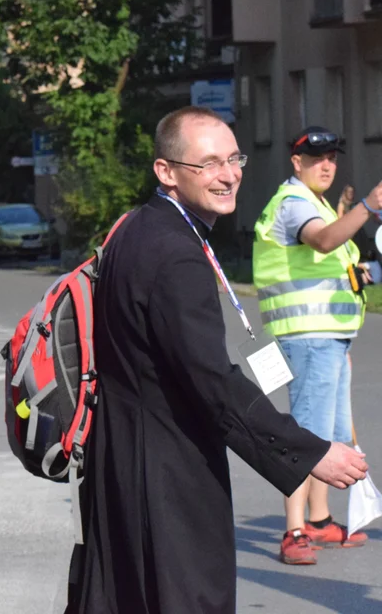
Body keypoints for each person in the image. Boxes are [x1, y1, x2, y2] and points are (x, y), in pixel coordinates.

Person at [66, 106, 368, 614]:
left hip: (124, 457)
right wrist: (310, 450)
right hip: (165, 471)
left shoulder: (136, 228)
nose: (228, 175)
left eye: (233, 159)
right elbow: (211, 383)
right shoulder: (175, 252)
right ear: (167, 172)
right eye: (207, 164)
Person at [252, 126, 382, 564]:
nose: (326, 164)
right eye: (316, 158)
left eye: (332, 157)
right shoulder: (293, 204)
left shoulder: (317, 203)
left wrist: (364, 273)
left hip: (328, 336)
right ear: (296, 162)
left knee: (329, 436)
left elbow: (332, 265)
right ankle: (293, 530)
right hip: (308, 337)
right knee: (306, 434)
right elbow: (324, 241)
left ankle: (320, 520)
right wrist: (368, 205)